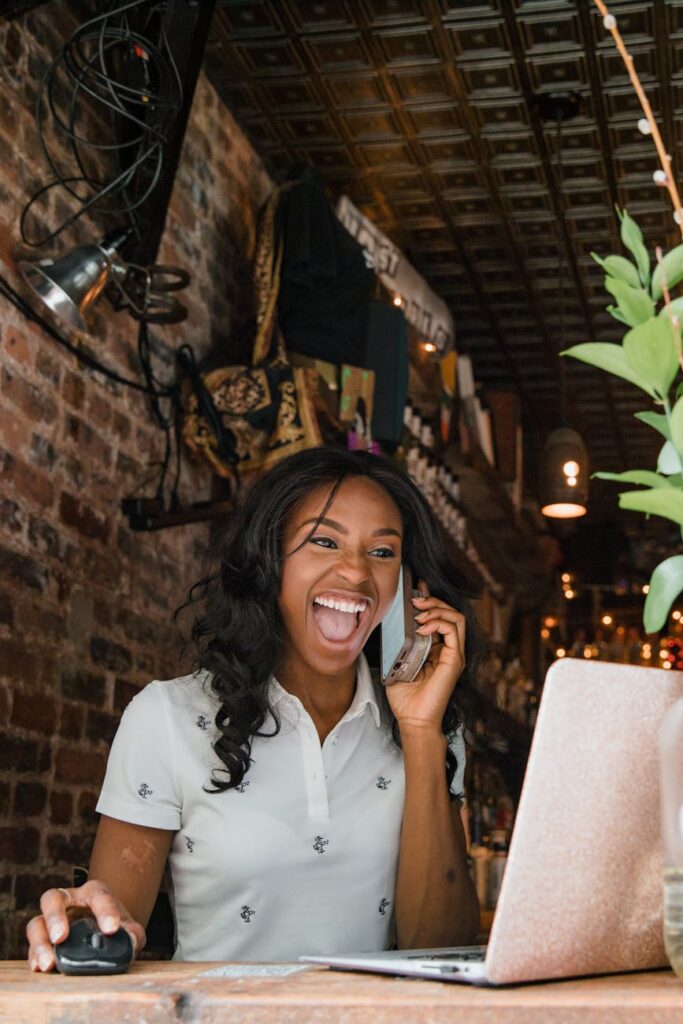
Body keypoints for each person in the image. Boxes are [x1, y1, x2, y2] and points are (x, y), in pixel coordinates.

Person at [26, 446, 481, 970]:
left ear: (408, 591)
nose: (356, 574)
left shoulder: (429, 727)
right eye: (323, 541)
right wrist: (82, 920)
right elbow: (107, 932)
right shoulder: (166, 718)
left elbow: (442, 952)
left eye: (382, 553)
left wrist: (423, 729)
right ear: (269, 560)